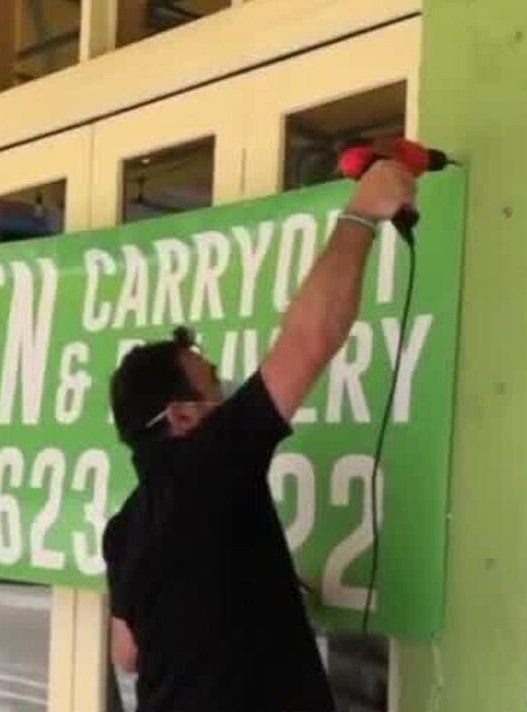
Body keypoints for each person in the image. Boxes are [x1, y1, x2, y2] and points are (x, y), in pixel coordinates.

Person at [101, 160, 417, 712]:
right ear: (181, 417)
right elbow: (308, 340)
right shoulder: (205, 464)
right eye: (213, 387)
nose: (223, 397)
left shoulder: (126, 527)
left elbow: (126, 652)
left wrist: (241, 583)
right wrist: (363, 213)